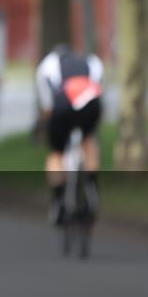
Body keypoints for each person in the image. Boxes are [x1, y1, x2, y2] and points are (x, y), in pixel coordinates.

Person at [35, 44, 104, 225]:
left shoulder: (46, 65)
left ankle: (57, 200)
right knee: (89, 140)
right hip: (90, 100)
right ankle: (91, 185)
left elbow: (48, 108)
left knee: (56, 152)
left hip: (63, 103)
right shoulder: (91, 61)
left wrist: (44, 130)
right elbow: (98, 87)